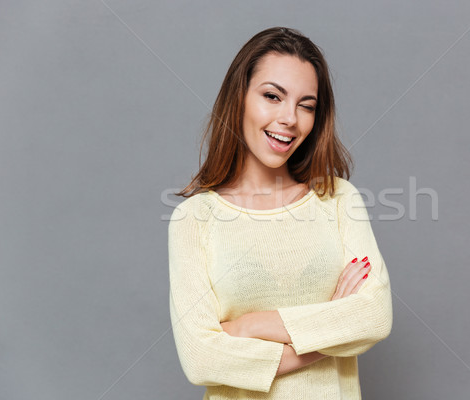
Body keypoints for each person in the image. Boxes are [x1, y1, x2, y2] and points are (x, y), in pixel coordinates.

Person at [168, 26, 393, 399]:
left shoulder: (338, 199)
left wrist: (250, 326)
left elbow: (375, 316)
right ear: (238, 99)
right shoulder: (194, 219)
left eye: (306, 105)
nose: (290, 118)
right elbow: (201, 358)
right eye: (273, 96)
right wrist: (329, 326)